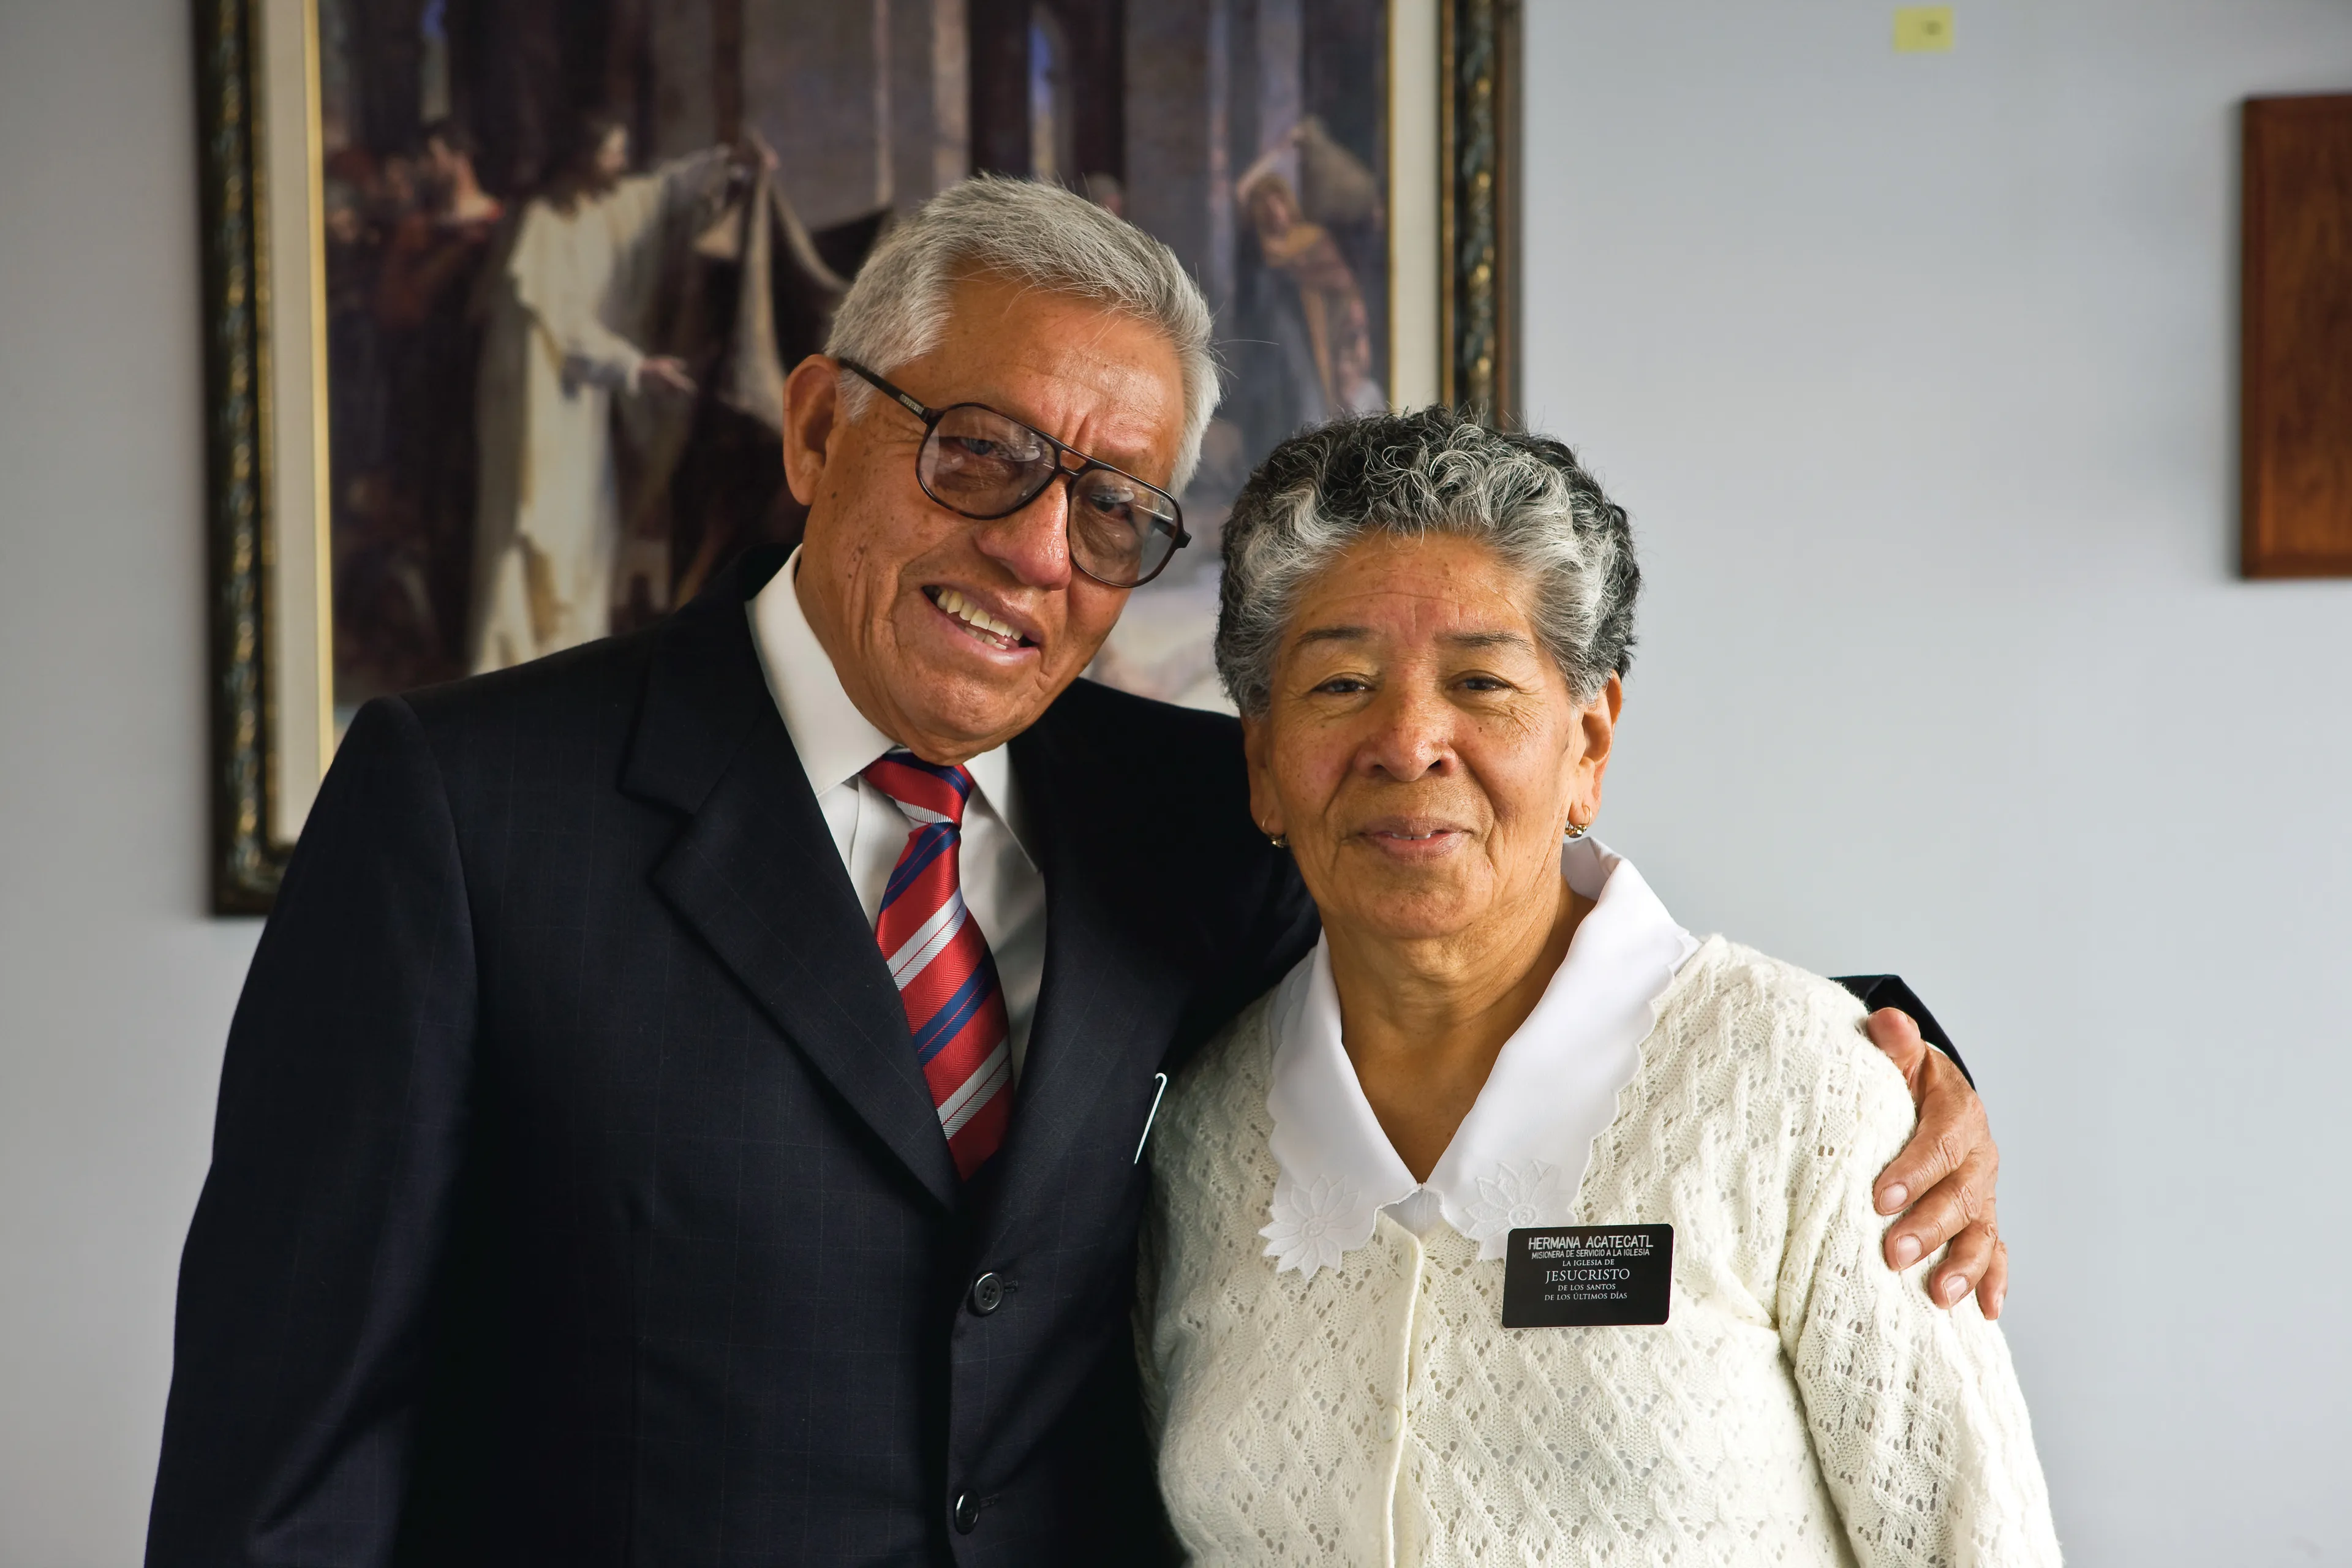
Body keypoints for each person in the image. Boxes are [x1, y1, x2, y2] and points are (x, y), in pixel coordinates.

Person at [147, 178, 2005, 1566]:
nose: (1039, 547)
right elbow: (281, 1462)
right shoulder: (469, 816)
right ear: (814, 428)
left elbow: (1489, 936)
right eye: (981, 454)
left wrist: (1868, 1057)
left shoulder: (1203, 813)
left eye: (1111, 504)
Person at [1140, 409, 2057, 1564]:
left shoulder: (1811, 1092)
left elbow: (1971, 1542)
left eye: (1480, 681)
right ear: (1263, 767)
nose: (1410, 739)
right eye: (1339, 686)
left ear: (1589, 744)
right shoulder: (1198, 1140)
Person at [467, 113, 741, 674]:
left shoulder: (600, 211)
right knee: (532, 530)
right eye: (611, 155)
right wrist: (635, 367)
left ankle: (564, 667)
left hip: (575, 409)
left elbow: (662, 190)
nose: (620, 165)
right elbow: (563, 324)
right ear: (580, 159)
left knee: (581, 534)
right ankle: (510, 668)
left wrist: (730, 163)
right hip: (535, 411)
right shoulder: (541, 223)